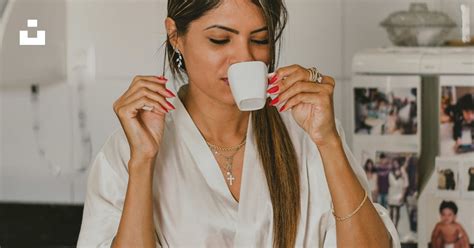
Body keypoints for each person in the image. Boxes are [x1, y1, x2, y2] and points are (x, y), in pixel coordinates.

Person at [76, 0, 400, 247]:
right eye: (220, 40)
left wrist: (328, 142)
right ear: (175, 36)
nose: (244, 58)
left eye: (258, 40)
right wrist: (142, 164)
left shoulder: (307, 132)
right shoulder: (134, 147)